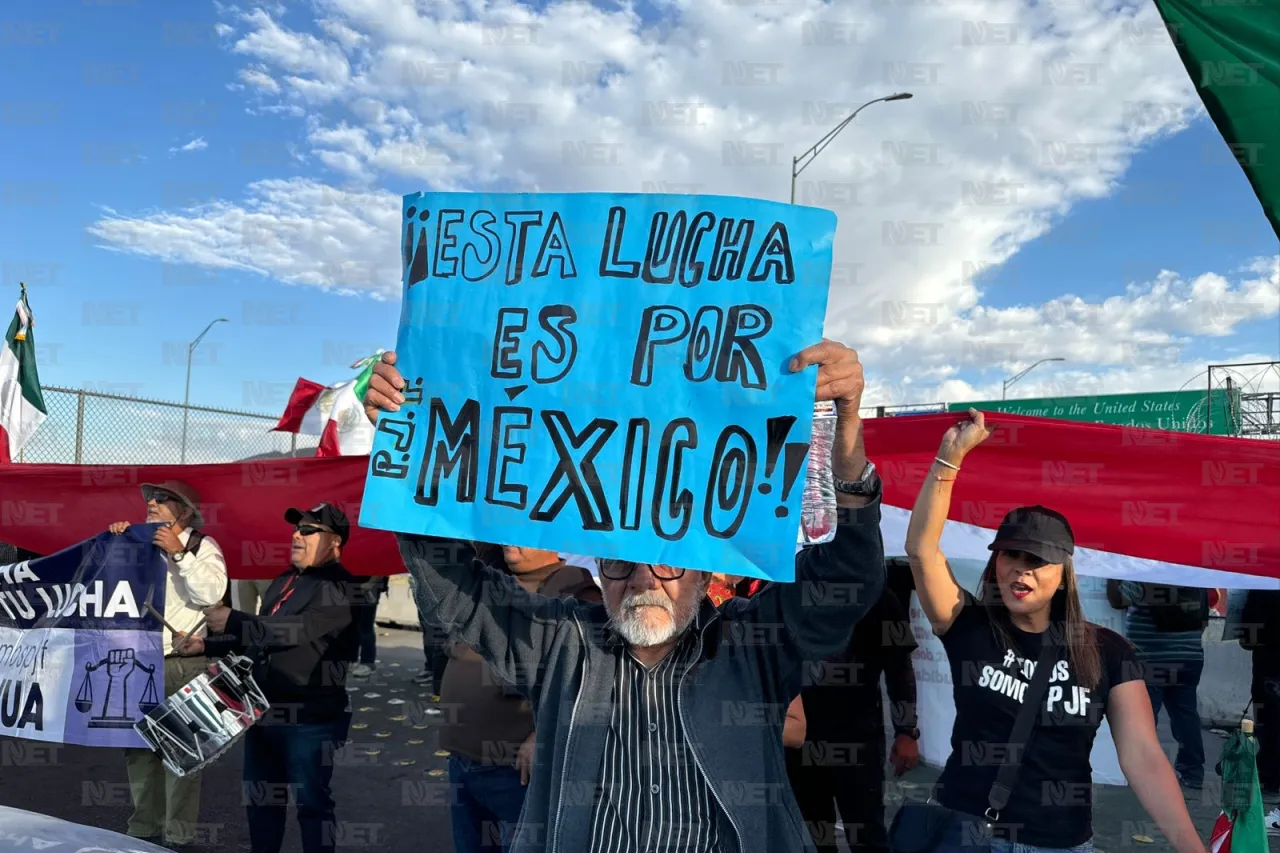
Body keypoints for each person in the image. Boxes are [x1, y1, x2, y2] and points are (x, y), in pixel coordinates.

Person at [363, 341, 885, 853]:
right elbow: (456, 589)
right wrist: (408, 441)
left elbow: (847, 579)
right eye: (620, 562)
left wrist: (847, 447)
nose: (642, 580)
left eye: (667, 559)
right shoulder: (559, 644)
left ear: (704, 575)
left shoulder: (753, 646)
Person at [903, 410, 1205, 853]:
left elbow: (1143, 756)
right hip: (964, 832)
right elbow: (921, 548)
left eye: (1036, 561)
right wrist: (949, 460)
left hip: (1058, 843)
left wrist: (1192, 847)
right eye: (1010, 557)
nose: (1020, 571)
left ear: (1063, 574)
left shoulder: (1110, 652)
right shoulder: (969, 624)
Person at [176, 502, 358, 853]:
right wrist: (205, 645)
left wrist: (233, 619)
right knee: (261, 805)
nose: (296, 535)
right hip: (261, 713)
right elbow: (259, 637)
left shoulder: (343, 588)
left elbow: (293, 631)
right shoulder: (283, 581)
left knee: (313, 807)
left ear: (334, 542)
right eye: (296, 528)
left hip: (311, 720)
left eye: (308, 531)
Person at [440, 544, 602, 853]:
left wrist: (542, 733)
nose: (509, 541)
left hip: (516, 773)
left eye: (521, 534)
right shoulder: (492, 584)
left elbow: (592, 679)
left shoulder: (574, 592)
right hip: (463, 762)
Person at [111, 480, 227, 849]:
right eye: (150, 498)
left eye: (163, 499)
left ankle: (177, 838)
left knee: (182, 756)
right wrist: (117, 541)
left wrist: (180, 554)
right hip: (138, 662)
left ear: (185, 511)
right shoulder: (137, 539)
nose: (152, 503)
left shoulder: (202, 546)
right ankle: (143, 827)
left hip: (182, 664)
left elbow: (211, 595)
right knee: (139, 751)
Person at [786, 583, 920, 853]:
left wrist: (906, 730)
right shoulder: (788, 588)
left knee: (867, 835)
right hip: (800, 738)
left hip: (858, 738)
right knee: (816, 835)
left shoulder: (878, 594)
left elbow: (899, 667)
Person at [1106, 580, 1208, 789]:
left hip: (1151, 657)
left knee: (1143, 719)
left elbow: (1117, 600)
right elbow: (1203, 619)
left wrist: (1113, 574)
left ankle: (1145, 774)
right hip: (1190, 656)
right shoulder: (1194, 576)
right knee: (1186, 715)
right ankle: (1192, 773)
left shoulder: (1145, 573)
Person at [1241, 590, 1280, 801]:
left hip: (1270, 663)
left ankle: (1270, 777)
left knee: (1271, 722)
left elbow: (1250, 633)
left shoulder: (1264, 586)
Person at [351, 574, 389, 678]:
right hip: (353, 583)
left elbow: (381, 567)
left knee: (365, 625)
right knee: (353, 624)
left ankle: (367, 663)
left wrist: (371, 583)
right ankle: (352, 659)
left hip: (371, 586)